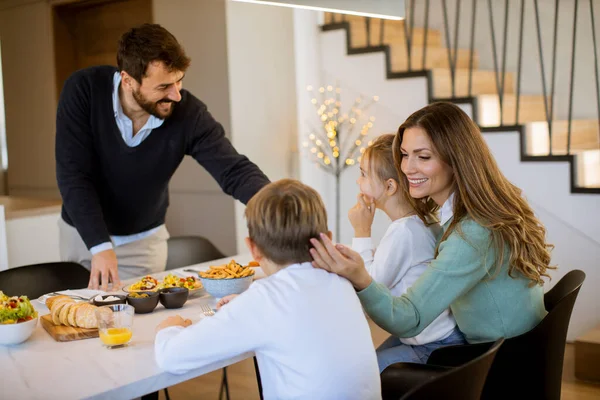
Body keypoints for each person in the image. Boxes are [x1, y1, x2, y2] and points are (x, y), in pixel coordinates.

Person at [310, 102, 553, 346]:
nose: (407, 168)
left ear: (456, 160)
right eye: (405, 155)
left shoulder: (473, 232)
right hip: (517, 348)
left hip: (499, 360)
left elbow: (409, 319)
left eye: (423, 157)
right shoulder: (478, 211)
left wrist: (360, 277)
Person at [56, 24, 269, 290]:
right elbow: (73, 174)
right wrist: (99, 246)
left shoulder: (188, 113)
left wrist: (279, 206)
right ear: (128, 80)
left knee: (142, 321)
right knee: (85, 320)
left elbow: (234, 170)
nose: (176, 94)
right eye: (164, 86)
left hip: (144, 243)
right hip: (84, 238)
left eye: (179, 81)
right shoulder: (83, 91)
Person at [154, 179, 381, 400]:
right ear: (327, 239)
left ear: (253, 249)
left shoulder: (264, 299)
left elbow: (171, 357)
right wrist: (245, 304)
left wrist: (169, 329)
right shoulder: (340, 282)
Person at [350, 134, 465, 371]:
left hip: (435, 347)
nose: (357, 181)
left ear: (389, 186)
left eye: (363, 174)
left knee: (363, 374)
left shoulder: (405, 232)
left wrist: (362, 231)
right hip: (436, 338)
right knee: (367, 364)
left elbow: (370, 285)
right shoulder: (421, 222)